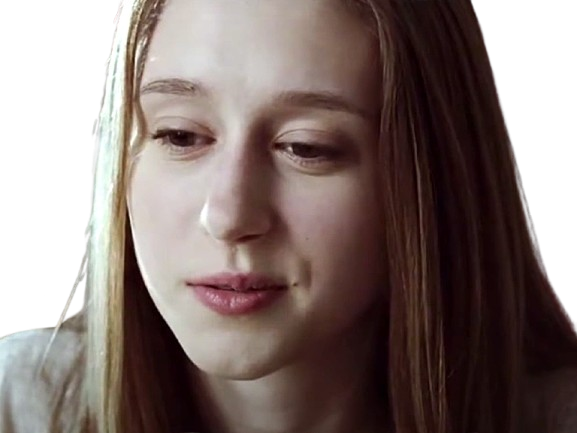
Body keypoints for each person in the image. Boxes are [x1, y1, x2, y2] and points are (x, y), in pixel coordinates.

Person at [1, 0, 576, 432]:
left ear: (434, 178)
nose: (228, 216)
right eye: (180, 135)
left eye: (307, 147)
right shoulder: (14, 405)